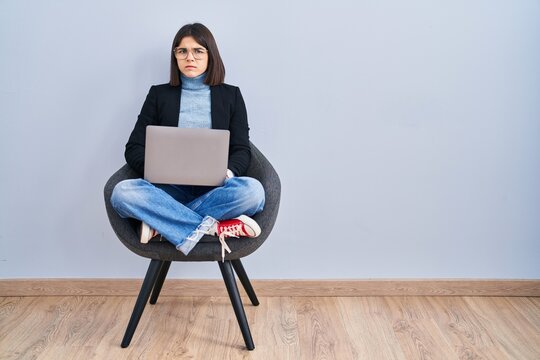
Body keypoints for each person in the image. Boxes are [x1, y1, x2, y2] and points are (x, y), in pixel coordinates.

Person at [111, 23, 265, 261]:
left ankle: (161, 225)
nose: (189, 57)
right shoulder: (159, 95)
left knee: (254, 192)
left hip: (216, 191)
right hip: (168, 192)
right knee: (122, 193)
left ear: (210, 55)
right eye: (182, 51)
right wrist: (156, 169)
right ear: (175, 56)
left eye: (197, 51)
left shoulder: (230, 95)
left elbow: (241, 150)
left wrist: (228, 172)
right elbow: (133, 148)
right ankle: (213, 228)